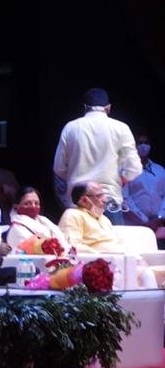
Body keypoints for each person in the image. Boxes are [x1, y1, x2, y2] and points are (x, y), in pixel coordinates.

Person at [53, 88, 141, 224]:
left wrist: (75, 178)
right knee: (111, 238)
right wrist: (122, 179)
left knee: (77, 238)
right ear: (108, 108)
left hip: (79, 201)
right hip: (108, 199)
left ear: (85, 107)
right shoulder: (121, 128)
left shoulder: (70, 128)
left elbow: (59, 168)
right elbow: (134, 168)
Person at [58, 182, 160, 288]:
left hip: (126, 263)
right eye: (99, 196)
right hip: (102, 267)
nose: (105, 199)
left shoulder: (104, 219)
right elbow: (72, 246)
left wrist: (136, 258)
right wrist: (101, 256)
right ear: (84, 200)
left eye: (104, 194)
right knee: (148, 275)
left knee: (156, 272)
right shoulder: (72, 214)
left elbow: (118, 244)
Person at [122, 134, 165, 237]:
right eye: (140, 143)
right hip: (135, 225)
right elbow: (124, 199)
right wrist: (144, 221)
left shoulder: (160, 170)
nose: (143, 146)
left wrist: (159, 218)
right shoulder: (126, 170)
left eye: (146, 143)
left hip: (159, 225)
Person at [6, 186, 67, 252]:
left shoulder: (44, 222)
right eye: (27, 203)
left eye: (36, 203)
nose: (33, 206)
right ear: (16, 207)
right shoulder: (16, 229)